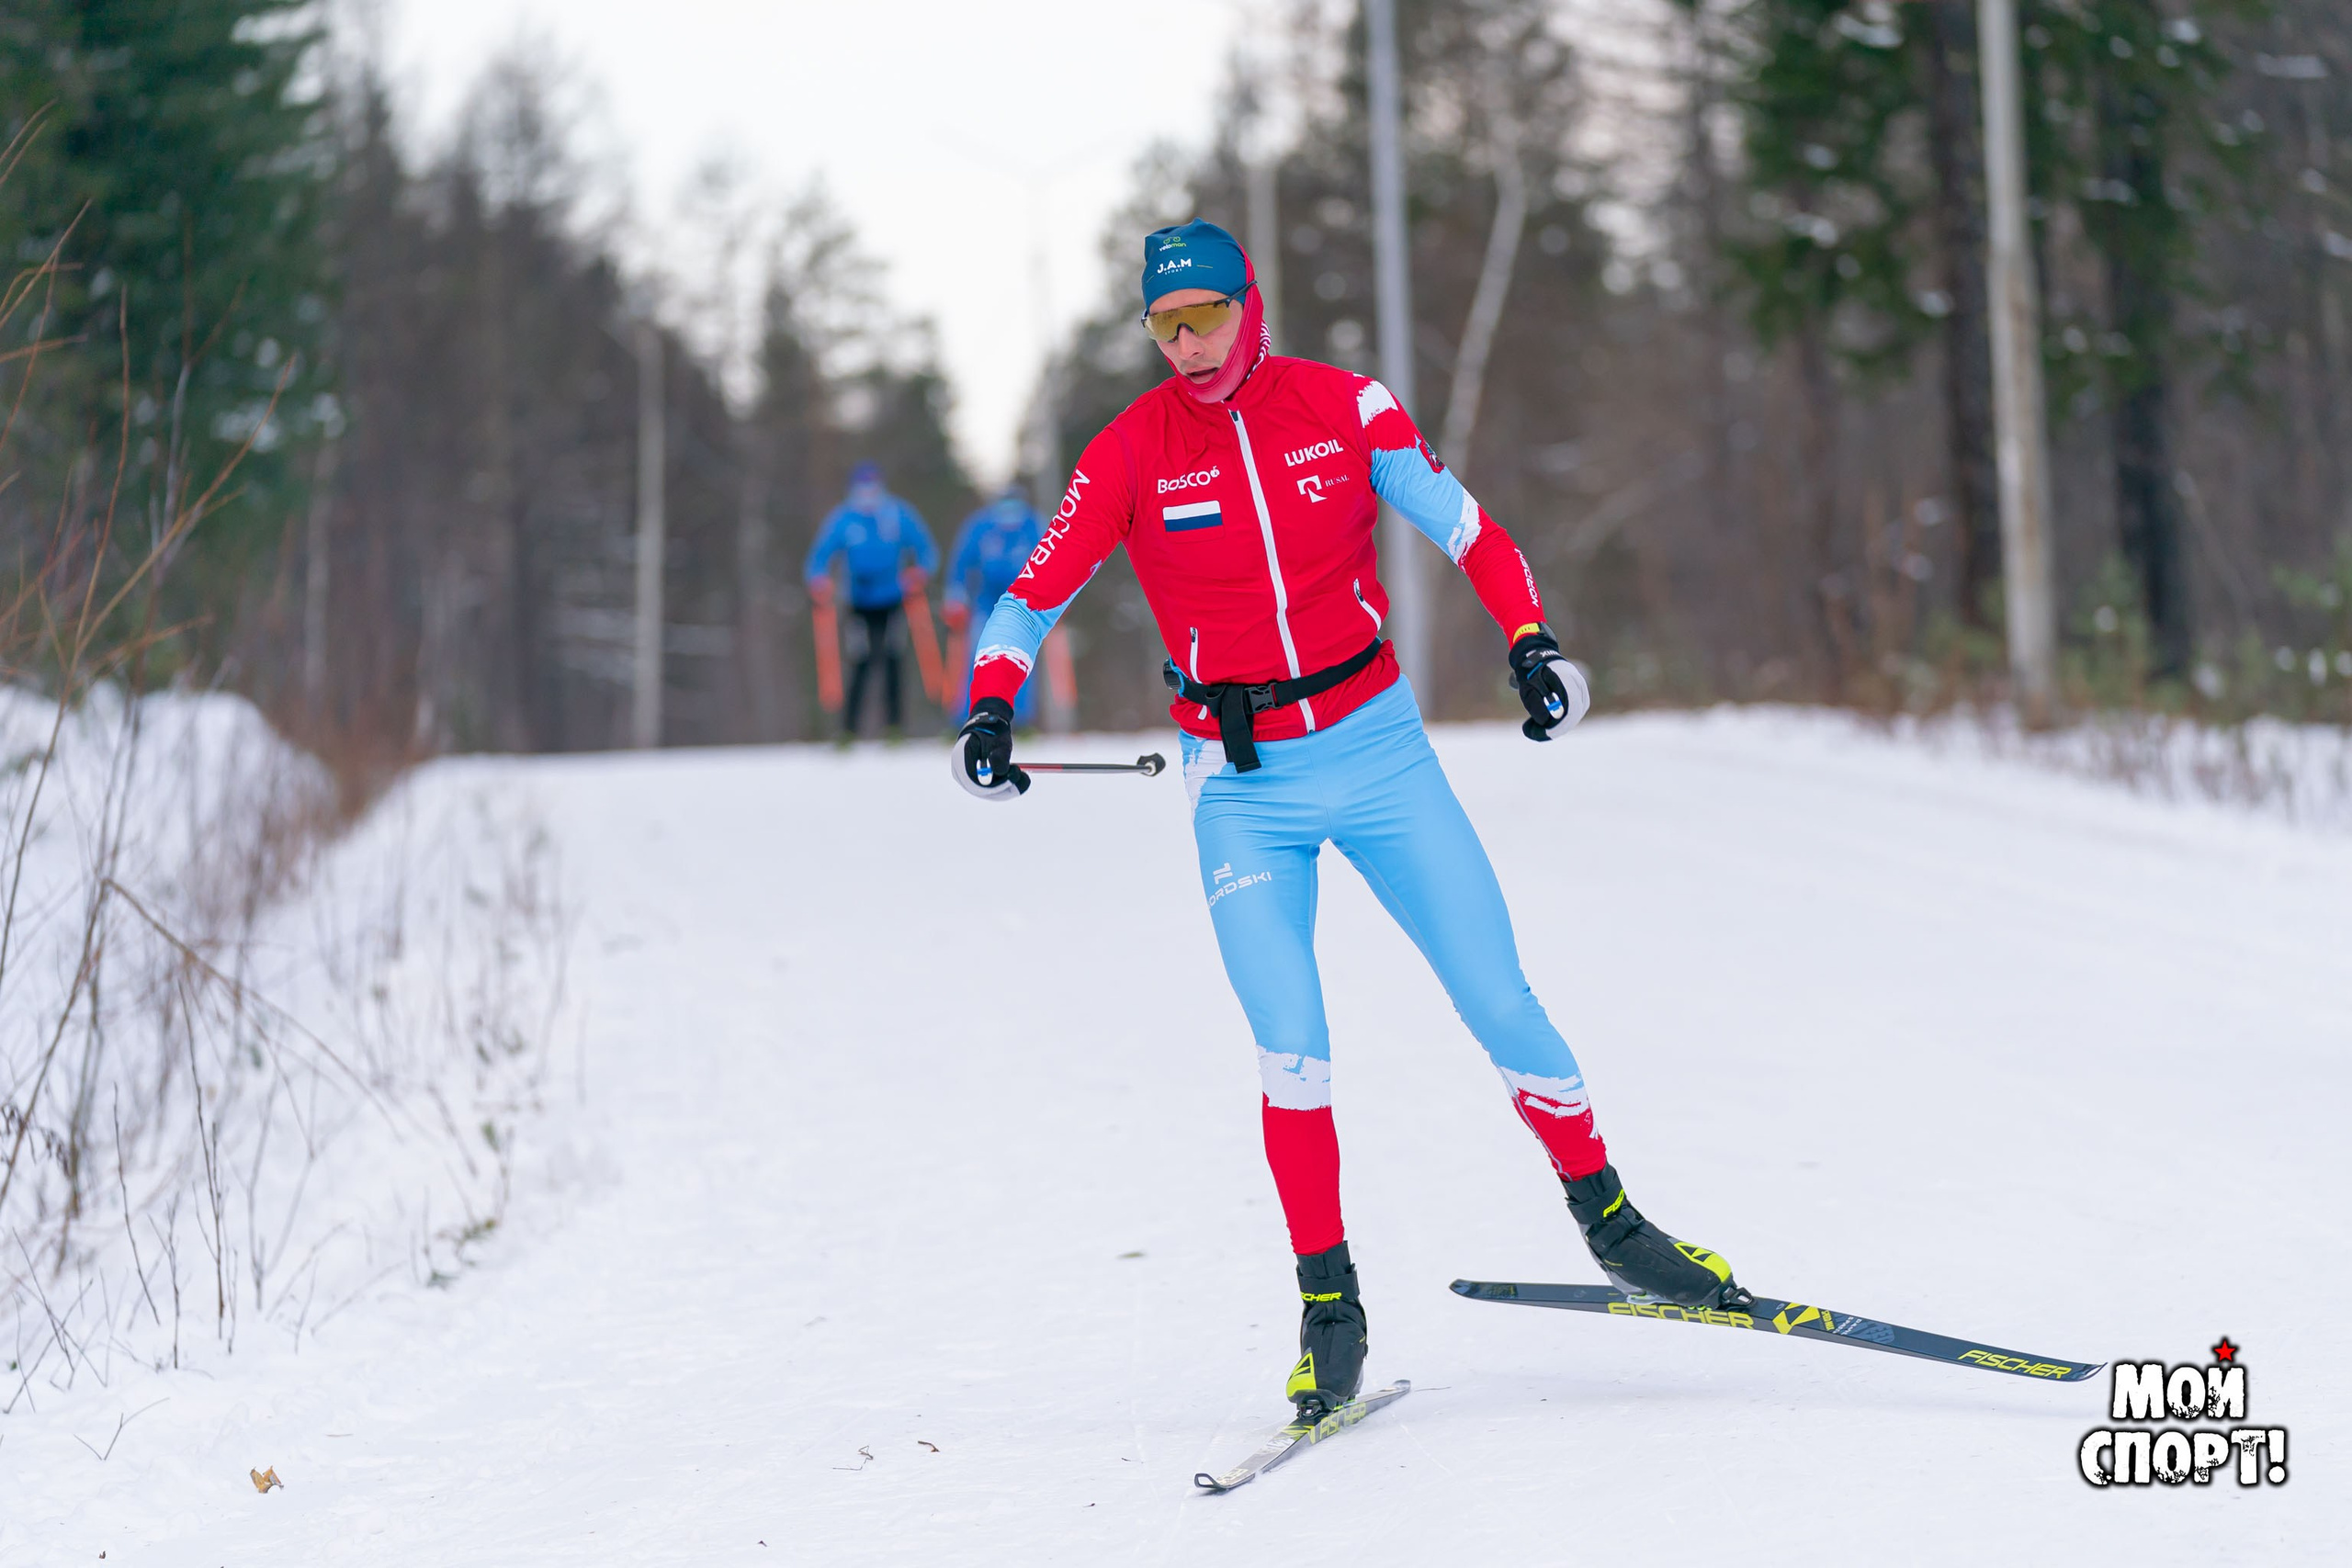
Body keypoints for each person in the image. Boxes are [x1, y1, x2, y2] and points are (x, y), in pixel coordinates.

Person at [950, 220, 1742, 1418]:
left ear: (1250, 303)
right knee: (1292, 1043)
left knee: (1497, 992)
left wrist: (1531, 643)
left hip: (1377, 751)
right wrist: (992, 705)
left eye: (1208, 315)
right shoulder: (1127, 453)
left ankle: (1614, 1220)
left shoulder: (1346, 407)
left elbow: (1466, 527)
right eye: (1167, 326)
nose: (1191, 344)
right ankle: (1333, 1307)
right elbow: (1029, 592)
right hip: (1240, 782)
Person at [805, 462, 938, 739]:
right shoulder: (844, 518)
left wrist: (919, 573)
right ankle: (849, 729)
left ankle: (895, 727)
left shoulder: (898, 514)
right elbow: (819, 556)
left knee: (893, 660)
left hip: (894, 600)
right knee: (860, 661)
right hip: (858, 603)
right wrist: (819, 579)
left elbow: (927, 550)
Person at [942, 485, 1046, 723]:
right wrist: (956, 596)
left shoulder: (1033, 525)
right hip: (987, 601)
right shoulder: (981, 525)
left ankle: (1020, 718)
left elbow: (1054, 558)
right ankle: (968, 715)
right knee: (979, 655)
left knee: (1022, 656)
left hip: (1023, 601)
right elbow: (961, 563)